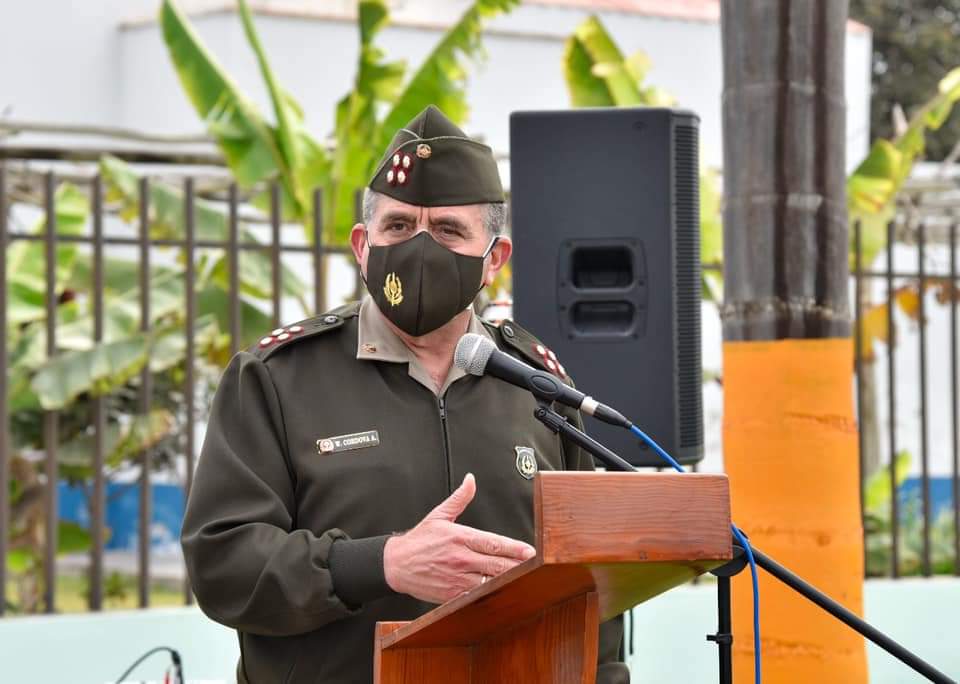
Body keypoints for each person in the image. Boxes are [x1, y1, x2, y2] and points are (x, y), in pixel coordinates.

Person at [182, 104, 629, 683]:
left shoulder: (536, 386)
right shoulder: (277, 378)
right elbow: (223, 563)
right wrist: (381, 563)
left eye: (447, 230)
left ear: (494, 258)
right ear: (363, 245)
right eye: (398, 227)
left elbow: (589, 581)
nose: (420, 247)